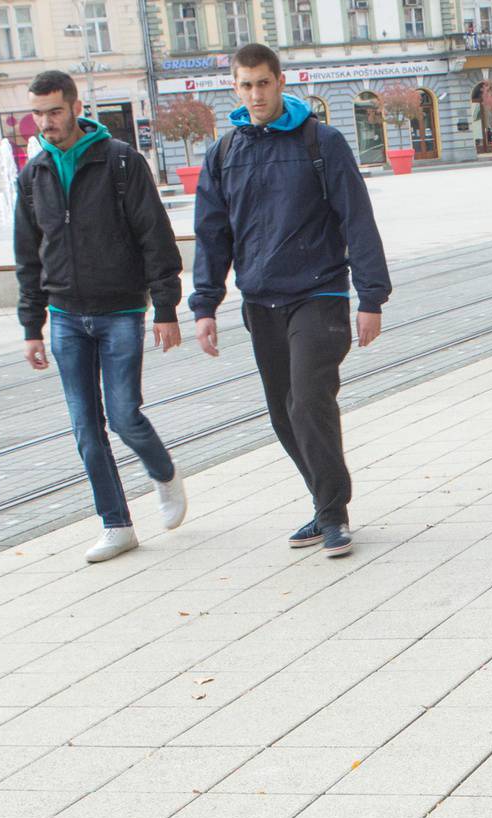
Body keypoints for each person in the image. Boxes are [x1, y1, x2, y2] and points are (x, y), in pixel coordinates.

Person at [190, 42, 391, 560]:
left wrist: (371, 296)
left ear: (281, 81)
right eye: (245, 84)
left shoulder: (321, 141)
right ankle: (327, 505)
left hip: (317, 294)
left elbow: (357, 219)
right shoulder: (224, 152)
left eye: (263, 82)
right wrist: (205, 305)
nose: (255, 93)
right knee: (284, 413)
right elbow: (213, 235)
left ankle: (332, 515)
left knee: (307, 401)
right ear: (234, 88)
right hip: (261, 302)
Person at [15, 70, 187, 564]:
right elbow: (28, 256)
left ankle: (164, 473)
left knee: (125, 415)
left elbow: (155, 236)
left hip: (120, 310)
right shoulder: (33, 177)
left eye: (53, 111)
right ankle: (116, 524)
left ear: (74, 107)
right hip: (66, 314)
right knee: (85, 427)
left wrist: (166, 307)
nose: (46, 123)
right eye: (38, 114)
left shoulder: (120, 163)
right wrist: (31, 327)